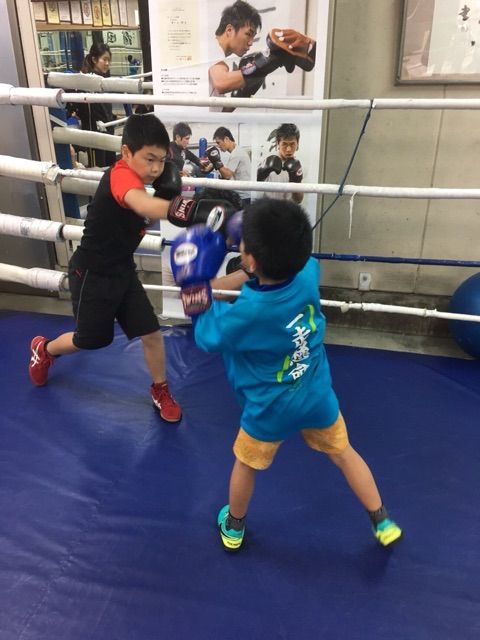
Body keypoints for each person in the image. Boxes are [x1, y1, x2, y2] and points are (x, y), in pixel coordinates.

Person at [171, 199, 403, 552]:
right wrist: (255, 247)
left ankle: (234, 525)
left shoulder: (249, 313)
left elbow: (207, 337)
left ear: (250, 260)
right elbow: (290, 260)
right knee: (344, 453)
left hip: (269, 409)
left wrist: (193, 287)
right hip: (316, 396)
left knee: (246, 465)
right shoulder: (308, 272)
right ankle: (382, 520)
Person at [28, 114, 241, 422]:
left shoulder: (149, 181)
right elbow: (142, 205)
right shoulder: (120, 176)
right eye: (149, 159)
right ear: (126, 153)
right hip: (92, 273)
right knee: (89, 340)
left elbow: (148, 208)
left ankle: (160, 389)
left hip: (123, 271)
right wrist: (193, 209)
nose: (156, 168)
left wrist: (176, 198)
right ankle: (45, 349)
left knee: (151, 332)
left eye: (161, 160)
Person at [209, 1, 317, 112]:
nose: (251, 43)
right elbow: (221, 83)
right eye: (248, 34)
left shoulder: (221, 59)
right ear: (229, 30)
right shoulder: (213, 49)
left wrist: (244, 90)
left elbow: (220, 110)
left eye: (253, 37)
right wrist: (263, 64)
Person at [77, 42, 117, 168]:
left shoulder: (103, 80)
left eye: (109, 60)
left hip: (107, 130)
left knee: (111, 167)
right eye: (104, 59)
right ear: (94, 59)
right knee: (98, 169)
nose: (107, 63)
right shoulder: (86, 80)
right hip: (94, 134)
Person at [203, 127, 252, 207]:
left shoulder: (237, 153)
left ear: (226, 139)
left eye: (219, 142)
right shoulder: (237, 151)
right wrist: (213, 164)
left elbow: (227, 175)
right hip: (242, 195)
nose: (218, 146)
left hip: (243, 198)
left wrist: (216, 162)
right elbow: (226, 173)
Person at [257, 123, 304, 203]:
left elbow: (299, 200)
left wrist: (295, 182)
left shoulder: (299, 166)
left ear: (297, 143)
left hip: (288, 209)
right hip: (268, 208)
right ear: (278, 143)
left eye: (292, 144)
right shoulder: (265, 161)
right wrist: (260, 175)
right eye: (284, 144)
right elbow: (254, 192)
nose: (288, 149)